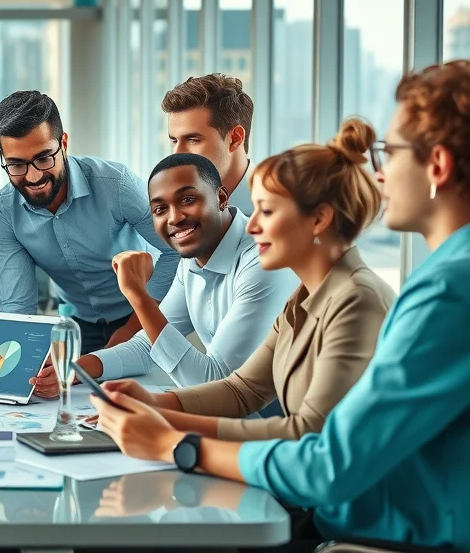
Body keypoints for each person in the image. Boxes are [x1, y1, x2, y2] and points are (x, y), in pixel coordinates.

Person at [91, 60, 470, 550]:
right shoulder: (312, 294)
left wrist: (175, 444)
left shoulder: (441, 292)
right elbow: (244, 388)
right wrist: (162, 407)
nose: (381, 171)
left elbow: (324, 459)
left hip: (381, 535)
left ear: (437, 165)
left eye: (391, 153)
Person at [94, 119, 394, 442]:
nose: (251, 227)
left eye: (266, 211)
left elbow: (308, 433)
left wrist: (166, 427)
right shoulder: (302, 299)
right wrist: (154, 404)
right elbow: (242, 389)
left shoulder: (357, 300)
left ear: (319, 220)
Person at [32, 153, 296, 399]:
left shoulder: (262, 259)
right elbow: (147, 346)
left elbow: (217, 382)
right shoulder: (192, 258)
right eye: (160, 209)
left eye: (188, 200)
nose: (175, 218)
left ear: (221, 197)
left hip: (279, 425)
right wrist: (76, 368)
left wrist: (138, 295)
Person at [0, 90, 180, 354]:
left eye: (44, 158)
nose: (33, 177)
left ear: (63, 144)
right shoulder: (4, 211)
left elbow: (175, 250)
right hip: (76, 327)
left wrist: (135, 324)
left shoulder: (117, 184)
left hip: (141, 314)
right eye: (16, 164)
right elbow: (18, 305)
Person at [162, 74, 254, 214]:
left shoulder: (286, 210)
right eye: (174, 140)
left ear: (235, 138)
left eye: (192, 140)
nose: (177, 154)